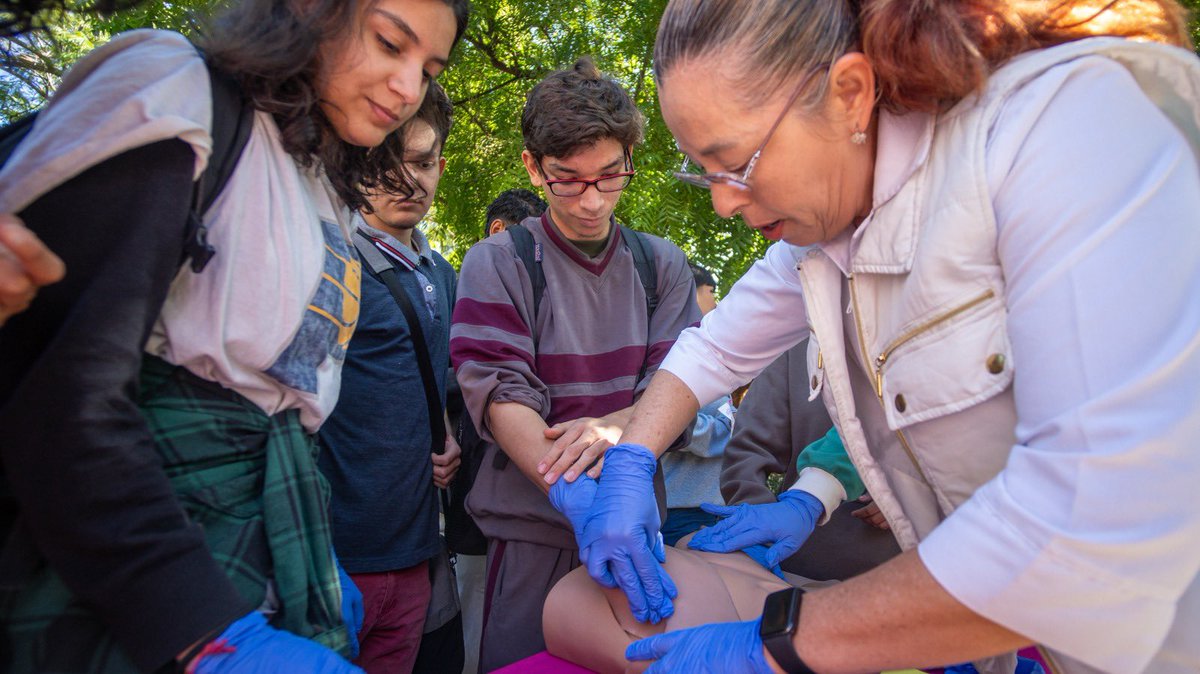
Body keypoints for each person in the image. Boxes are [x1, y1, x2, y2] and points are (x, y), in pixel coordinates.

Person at [574, 1, 1200, 673]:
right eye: (704, 172)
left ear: (850, 95)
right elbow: (716, 348)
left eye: (737, 163)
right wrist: (634, 457)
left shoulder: (1064, 131)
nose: (723, 202)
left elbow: (1091, 520)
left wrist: (783, 645)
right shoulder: (825, 226)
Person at [0, 0, 469, 672]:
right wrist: (204, 633)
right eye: (390, 43)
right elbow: (61, 399)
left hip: (269, 558)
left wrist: (309, 560)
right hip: (136, 579)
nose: (407, 88)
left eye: (428, 68)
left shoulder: (321, 183)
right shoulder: (177, 97)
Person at [449, 57, 700, 671]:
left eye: (610, 176)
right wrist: (573, 492)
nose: (591, 201)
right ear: (534, 167)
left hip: (641, 524)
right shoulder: (498, 261)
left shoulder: (662, 265)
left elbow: (679, 386)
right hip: (531, 534)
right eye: (568, 179)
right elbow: (498, 390)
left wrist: (619, 440)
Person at [317, 81, 461, 674]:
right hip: (338, 557)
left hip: (421, 549)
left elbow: (448, 379)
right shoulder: (327, 260)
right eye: (387, 163)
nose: (409, 181)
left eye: (424, 162)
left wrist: (451, 432)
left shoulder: (443, 272)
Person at [716, 343, 899, 580]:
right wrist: (759, 529)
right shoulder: (796, 346)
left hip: (903, 572)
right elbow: (748, 452)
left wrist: (912, 493)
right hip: (798, 568)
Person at [659, 262, 734, 546]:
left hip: (690, 505)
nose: (716, 302)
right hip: (687, 509)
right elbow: (723, 432)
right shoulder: (679, 351)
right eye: (712, 292)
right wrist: (675, 426)